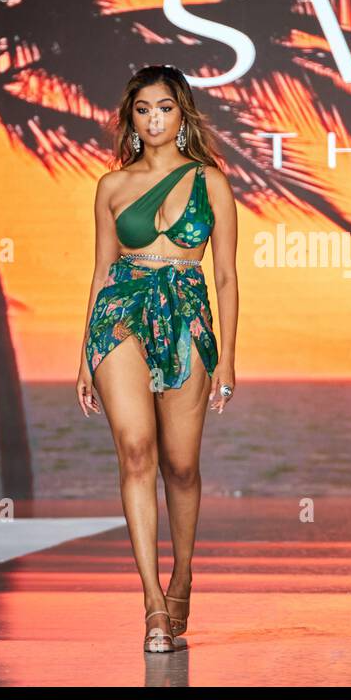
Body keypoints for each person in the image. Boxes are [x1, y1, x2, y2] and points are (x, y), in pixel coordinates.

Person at [76, 64, 238, 653]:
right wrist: (81, 358)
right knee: (137, 452)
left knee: (182, 465)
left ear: (182, 114)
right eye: (143, 109)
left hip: (188, 315)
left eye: (164, 108)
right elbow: (100, 272)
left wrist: (229, 358)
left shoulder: (211, 181)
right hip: (120, 314)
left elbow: (225, 275)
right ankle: (151, 606)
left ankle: (183, 577)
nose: (153, 120)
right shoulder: (111, 186)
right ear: (131, 118)